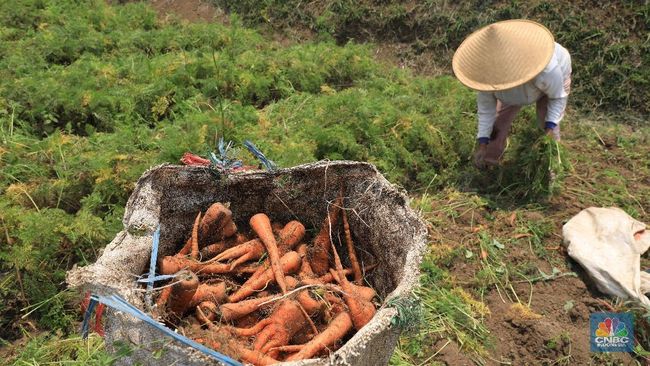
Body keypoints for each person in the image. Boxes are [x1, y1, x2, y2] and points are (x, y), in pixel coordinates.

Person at [452, 19, 572, 168]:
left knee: (546, 124)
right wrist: (482, 144)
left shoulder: (547, 68)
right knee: (498, 124)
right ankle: (489, 162)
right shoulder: (487, 77)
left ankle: (551, 168)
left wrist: (548, 131)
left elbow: (557, 97)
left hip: (550, 86)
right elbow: (486, 111)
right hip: (516, 92)